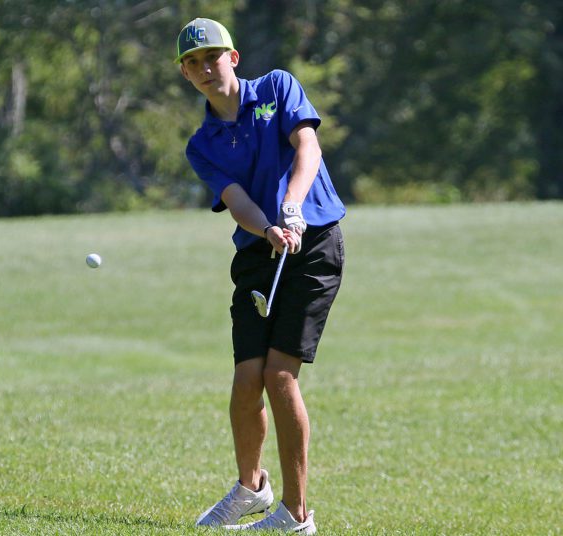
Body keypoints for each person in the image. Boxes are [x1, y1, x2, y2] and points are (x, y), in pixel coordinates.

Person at [176, 18, 346, 534]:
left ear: (234, 56)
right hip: (258, 252)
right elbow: (237, 201)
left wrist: (292, 209)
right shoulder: (202, 144)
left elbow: (308, 148)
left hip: (314, 243)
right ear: (185, 73)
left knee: (279, 375)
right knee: (247, 379)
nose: (205, 68)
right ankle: (252, 489)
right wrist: (269, 228)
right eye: (193, 62)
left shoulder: (276, 86)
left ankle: (296, 517)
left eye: (213, 57)